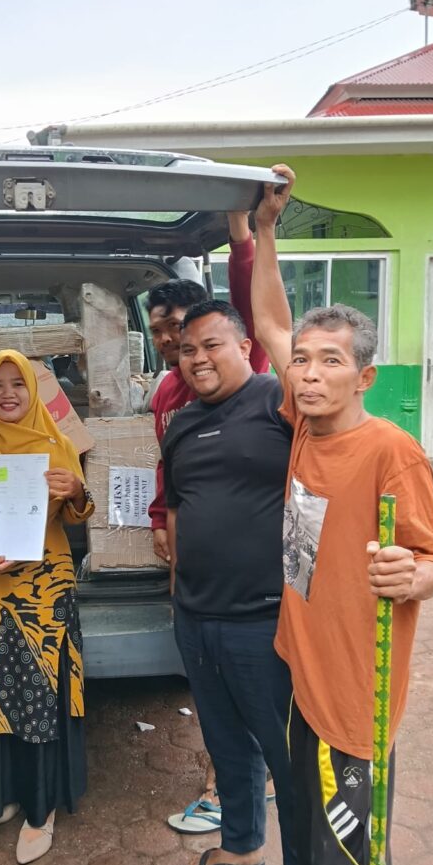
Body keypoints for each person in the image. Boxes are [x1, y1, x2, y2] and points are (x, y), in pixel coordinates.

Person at [251, 166, 433, 865]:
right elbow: (270, 322)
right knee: (311, 835)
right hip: (302, 667)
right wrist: (264, 229)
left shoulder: (390, 450)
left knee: (351, 863)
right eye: (304, 360)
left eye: (330, 361)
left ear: (364, 376)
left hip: (353, 692)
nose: (309, 373)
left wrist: (414, 575)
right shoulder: (306, 421)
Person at [163, 298, 307, 865]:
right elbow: (176, 509)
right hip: (196, 616)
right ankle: (243, 845)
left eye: (211, 344)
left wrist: (254, 242)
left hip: (265, 618)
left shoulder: (281, 403)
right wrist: (178, 589)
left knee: (286, 755)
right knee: (225, 744)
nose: (197, 358)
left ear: (245, 346)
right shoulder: (181, 424)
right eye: (187, 349)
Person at [0, 349, 94, 865]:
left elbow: (76, 517)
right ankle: (1, 791)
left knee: (37, 701)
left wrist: (77, 490)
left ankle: (40, 810)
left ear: (33, 390)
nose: (8, 394)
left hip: (42, 601)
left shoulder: (56, 445)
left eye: (18, 384)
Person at [147, 213, 272, 832]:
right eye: (165, 334)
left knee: (266, 721)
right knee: (218, 716)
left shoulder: (269, 394)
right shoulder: (171, 401)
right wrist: (160, 522)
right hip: (196, 598)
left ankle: (244, 801)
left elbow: (256, 310)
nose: (178, 344)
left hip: (260, 605)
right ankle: (239, 823)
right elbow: (170, 478)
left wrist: (246, 234)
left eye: (187, 330)